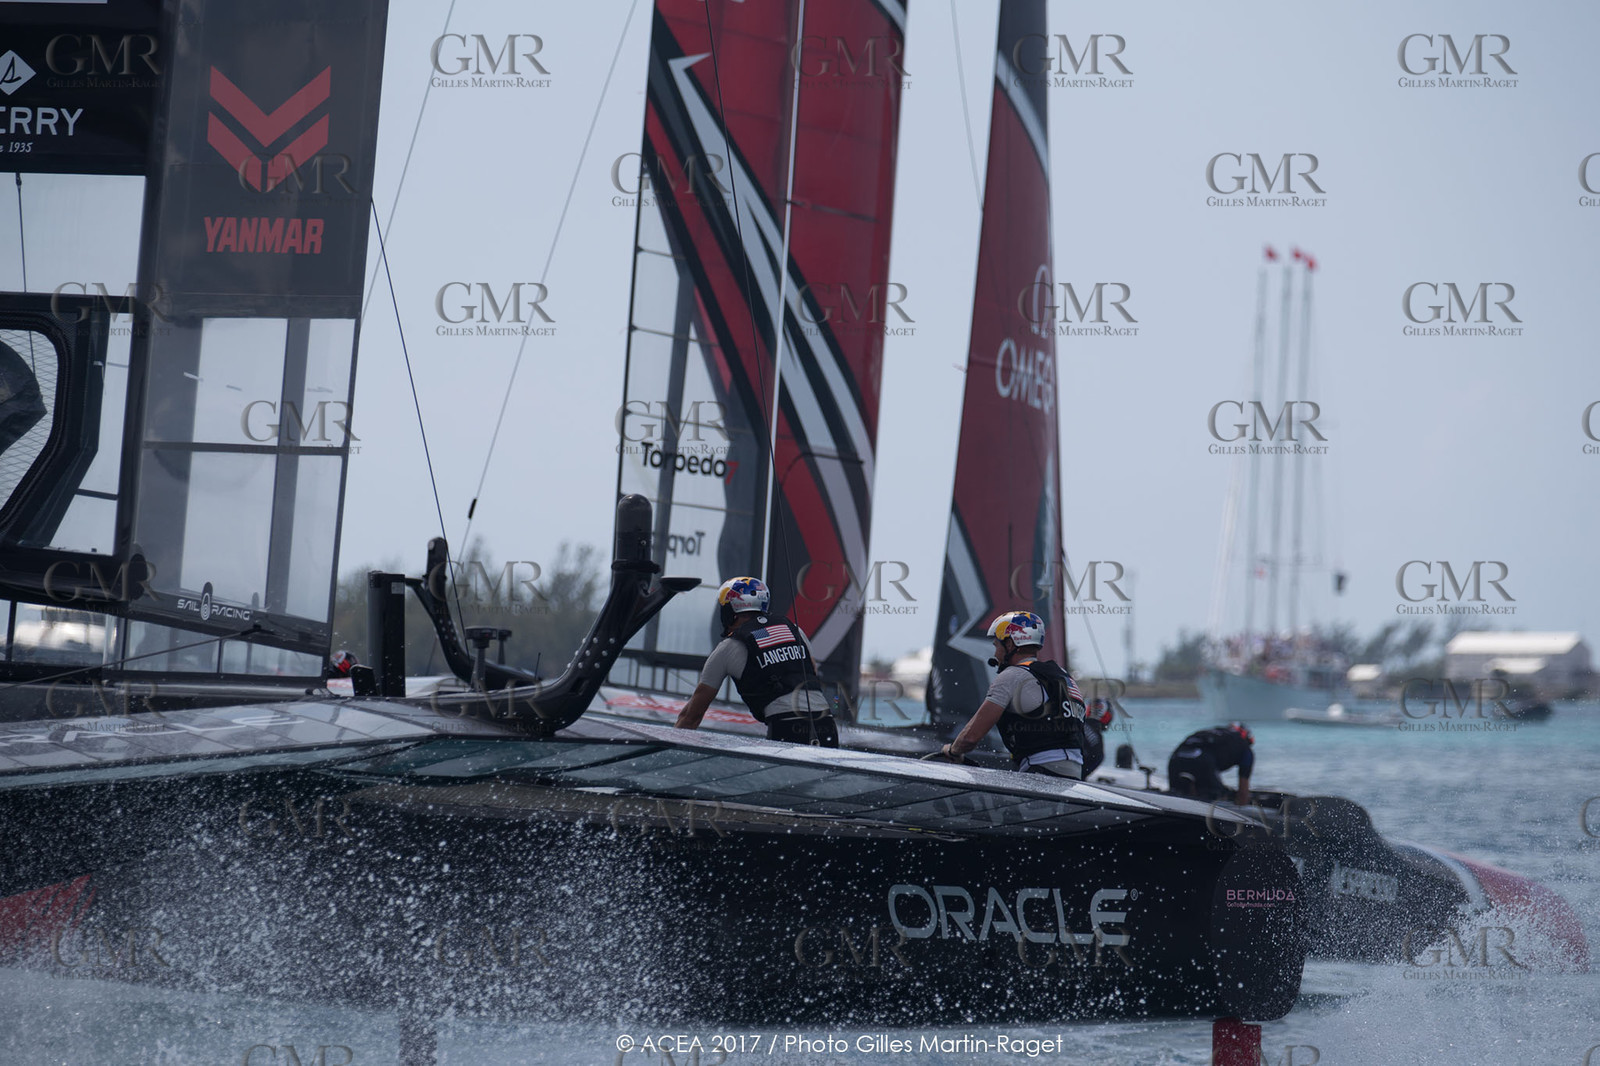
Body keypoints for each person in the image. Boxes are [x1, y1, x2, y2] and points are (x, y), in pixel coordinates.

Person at [675, 576, 838, 747]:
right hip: (826, 724)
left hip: (786, 725)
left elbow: (691, 717)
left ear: (729, 611)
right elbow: (811, 674)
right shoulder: (795, 631)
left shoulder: (728, 648)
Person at [935, 610, 1087, 777]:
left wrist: (954, 750)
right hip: (1075, 774)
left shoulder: (1012, 675)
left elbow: (971, 737)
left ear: (1010, 645)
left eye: (996, 645)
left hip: (1041, 770)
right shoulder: (1064, 676)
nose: (995, 654)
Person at [1167, 722, 1254, 805]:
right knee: (1216, 797)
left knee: (1175, 794)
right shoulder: (1245, 749)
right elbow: (1243, 791)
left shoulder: (1213, 733)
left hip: (1176, 757)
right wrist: (1242, 804)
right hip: (1203, 761)